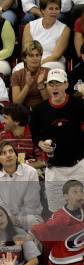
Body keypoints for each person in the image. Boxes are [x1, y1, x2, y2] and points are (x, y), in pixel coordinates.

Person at [30, 68, 84, 212]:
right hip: (54, 170)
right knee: (57, 212)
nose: (55, 87)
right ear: (46, 86)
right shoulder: (39, 111)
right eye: (51, 84)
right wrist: (41, 144)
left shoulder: (79, 106)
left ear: (66, 85)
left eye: (58, 83)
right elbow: (35, 136)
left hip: (78, 167)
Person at [31, 180, 83, 265]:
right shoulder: (59, 218)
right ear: (66, 196)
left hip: (80, 261)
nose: (80, 195)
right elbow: (41, 231)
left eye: (81, 191)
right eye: (75, 192)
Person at [0, 141, 44, 229]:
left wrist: (17, 219)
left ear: (16, 156)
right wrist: (9, 218)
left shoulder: (30, 172)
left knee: (33, 221)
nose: (8, 155)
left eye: (11, 151)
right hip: (4, 218)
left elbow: (32, 203)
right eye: (4, 153)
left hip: (28, 216)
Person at [21, 0, 70, 71]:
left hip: (53, 62)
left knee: (47, 70)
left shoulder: (65, 29)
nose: (54, 11)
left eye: (57, 9)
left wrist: (39, 64)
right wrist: (34, 63)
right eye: (51, 9)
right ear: (42, 10)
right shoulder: (29, 26)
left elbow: (56, 55)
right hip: (32, 60)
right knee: (18, 70)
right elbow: (27, 50)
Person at [11, 41, 49, 110]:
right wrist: (27, 85)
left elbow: (50, 102)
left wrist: (41, 85)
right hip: (23, 111)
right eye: (31, 55)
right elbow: (16, 103)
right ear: (25, 58)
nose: (35, 58)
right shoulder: (17, 75)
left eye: (37, 55)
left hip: (43, 109)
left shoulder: (48, 73)